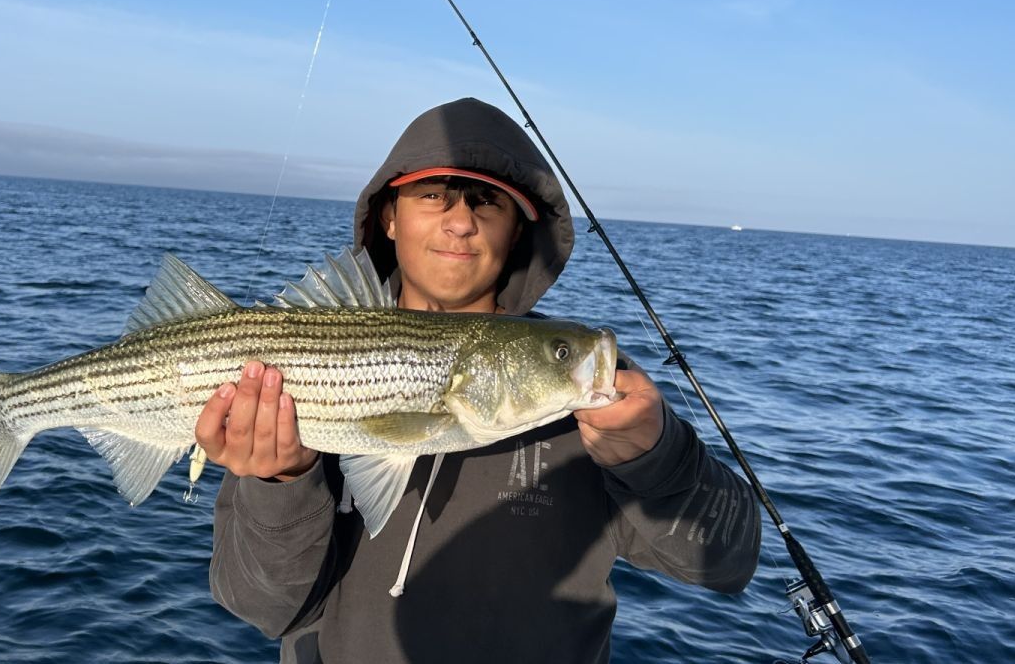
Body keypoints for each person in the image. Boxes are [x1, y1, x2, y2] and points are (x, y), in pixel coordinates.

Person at [195, 97, 761, 663]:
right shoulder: (281, 374)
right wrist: (282, 482)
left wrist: (655, 458)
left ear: (517, 231)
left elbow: (728, 560)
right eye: (433, 194)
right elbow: (258, 607)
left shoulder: (605, 404)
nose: (461, 221)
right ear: (389, 217)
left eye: (488, 202)